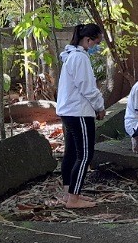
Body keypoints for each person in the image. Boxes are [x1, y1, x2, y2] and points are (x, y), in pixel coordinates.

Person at [56, 23, 106, 209]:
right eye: (96, 43)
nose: (97, 47)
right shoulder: (80, 58)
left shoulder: (70, 55)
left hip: (68, 111)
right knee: (85, 155)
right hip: (78, 112)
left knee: (71, 152)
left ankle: (68, 192)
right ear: (88, 40)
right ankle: (73, 198)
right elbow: (88, 88)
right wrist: (100, 106)